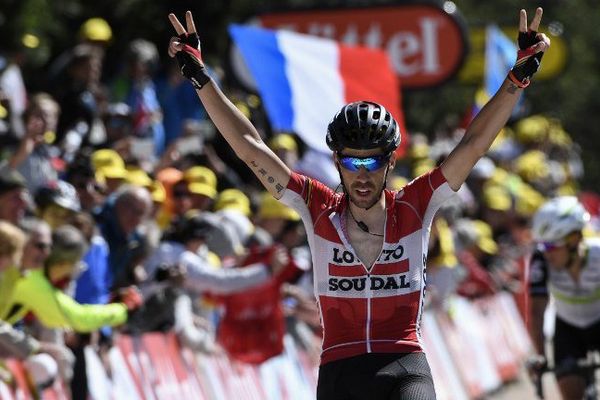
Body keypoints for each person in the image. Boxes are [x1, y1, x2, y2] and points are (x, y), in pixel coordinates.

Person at [167, 8, 549, 399]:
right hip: (340, 372)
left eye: (373, 160)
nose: (362, 173)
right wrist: (200, 77)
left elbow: (473, 143)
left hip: (404, 367)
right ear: (337, 161)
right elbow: (250, 147)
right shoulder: (315, 207)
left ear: (391, 161)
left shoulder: (417, 204)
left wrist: (517, 79)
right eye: (352, 160)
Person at [528, 196, 600, 399]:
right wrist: (540, 357)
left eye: (551, 246)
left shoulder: (598, 254)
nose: (546, 253)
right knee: (571, 392)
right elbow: (536, 312)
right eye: (543, 246)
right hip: (569, 330)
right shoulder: (541, 260)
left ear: (574, 239)